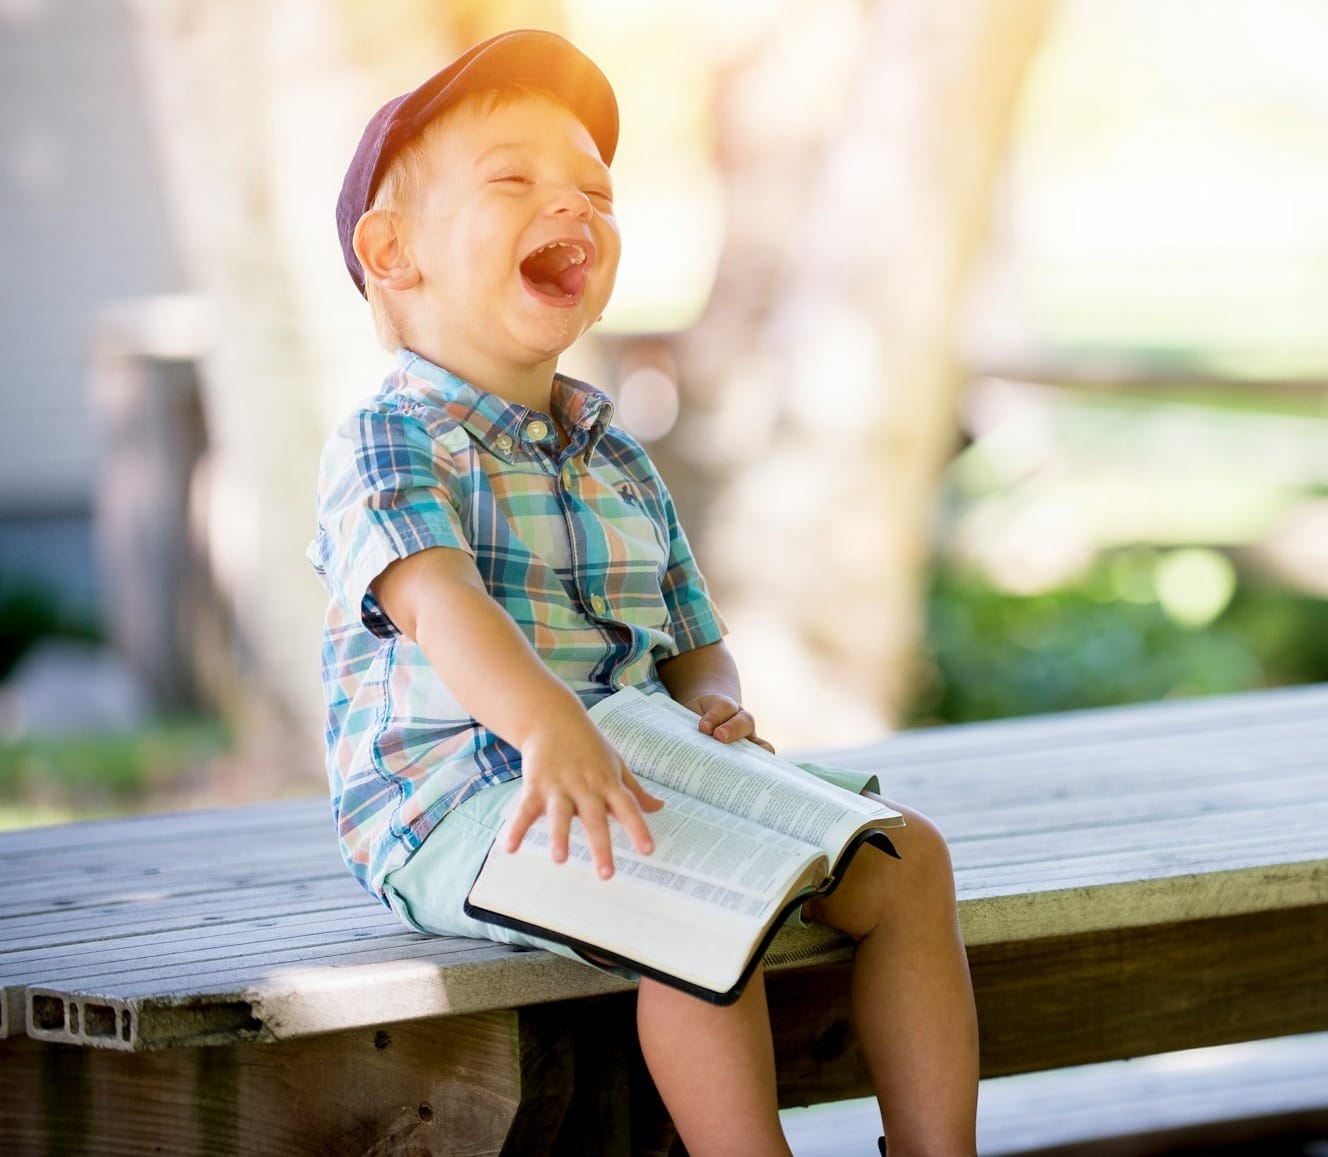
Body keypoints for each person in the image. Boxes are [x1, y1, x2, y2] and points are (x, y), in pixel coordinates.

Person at [306, 30, 978, 1156]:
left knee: (907, 859)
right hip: (461, 798)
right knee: (695, 907)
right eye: (513, 179)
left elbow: (690, 635)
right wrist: (549, 724)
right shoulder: (390, 439)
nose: (569, 206)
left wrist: (713, 697)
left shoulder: (609, 445)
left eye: (594, 191)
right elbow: (440, 603)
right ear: (392, 251)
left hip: (633, 755)